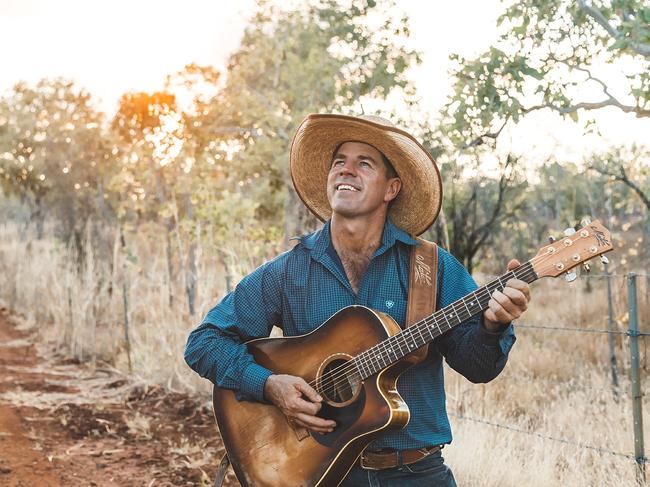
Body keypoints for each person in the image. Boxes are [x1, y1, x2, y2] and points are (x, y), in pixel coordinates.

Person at [184, 114, 531, 486]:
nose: (346, 171)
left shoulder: (430, 268)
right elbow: (203, 343)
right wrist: (269, 385)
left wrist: (493, 325)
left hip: (415, 472)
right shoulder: (287, 272)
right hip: (318, 472)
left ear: (391, 188)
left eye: (363, 163)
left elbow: (479, 368)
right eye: (339, 162)